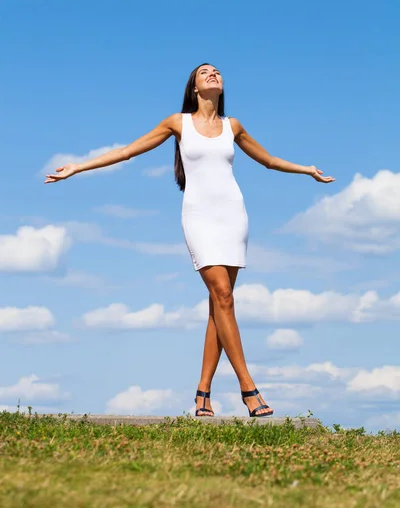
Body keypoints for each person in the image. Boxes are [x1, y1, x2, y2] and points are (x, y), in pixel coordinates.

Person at [45, 63, 335, 418]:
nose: (213, 74)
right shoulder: (178, 123)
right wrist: (78, 166)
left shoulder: (233, 127)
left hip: (233, 216)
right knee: (224, 296)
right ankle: (249, 388)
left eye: (217, 71)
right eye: (204, 72)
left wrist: (307, 170)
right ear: (194, 88)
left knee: (219, 304)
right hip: (199, 217)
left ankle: (202, 394)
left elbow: (269, 161)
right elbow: (128, 152)